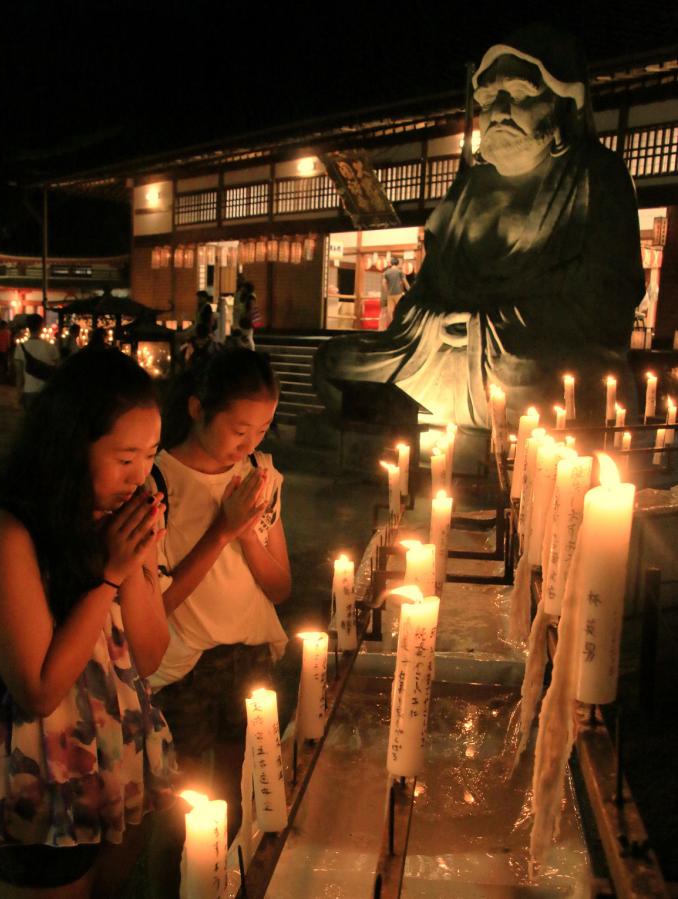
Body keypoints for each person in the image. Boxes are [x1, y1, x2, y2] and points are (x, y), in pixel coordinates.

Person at [315, 25, 644, 427]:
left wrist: (487, 324)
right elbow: (422, 294)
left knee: (583, 385)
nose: (501, 111)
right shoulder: (471, 184)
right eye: (489, 99)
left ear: (562, 103)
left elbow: (607, 302)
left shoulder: (595, 175)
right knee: (334, 363)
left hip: (524, 359)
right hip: (435, 351)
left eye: (521, 95)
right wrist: (436, 323)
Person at [0, 347, 179, 898]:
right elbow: (39, 690)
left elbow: (148, 657)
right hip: (39, 778)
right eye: (125, 458)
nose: (141, 475)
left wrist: (137, 565)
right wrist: (108, 576)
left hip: (113, 761)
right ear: (70, 446)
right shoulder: (7, 535)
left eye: (150, 454)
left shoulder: (120, 521)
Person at [147, 348, 291, 896]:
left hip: (249, 655)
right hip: (181, 665)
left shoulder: (260, 475)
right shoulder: (157, 481)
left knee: (239, 799)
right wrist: (223, 531)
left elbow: (279, 588)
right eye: (238, 429)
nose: (249, 443)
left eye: (262, 429)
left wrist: (248, 529)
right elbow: (154, 603)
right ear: (197, 408)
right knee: (176, 811)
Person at [14, 313, 60, 411]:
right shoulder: (50, 347)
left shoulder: (20, 348)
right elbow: (57, 369)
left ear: (28, 327)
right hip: (46, 390)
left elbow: (19, 373)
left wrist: (19, 393)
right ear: (41, 326)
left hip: (29, 390)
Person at [381, 258, 410, 327]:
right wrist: (409, 290)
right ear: (397, 264)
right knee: (400, 310)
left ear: (391, 264)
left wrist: (387, 291)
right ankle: (400, 325)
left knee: (390, 311)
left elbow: (383, 283)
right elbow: (405, 282)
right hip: (398, 294)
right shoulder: (400, 272)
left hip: (390, 294)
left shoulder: (386, 272)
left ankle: (392, 326)